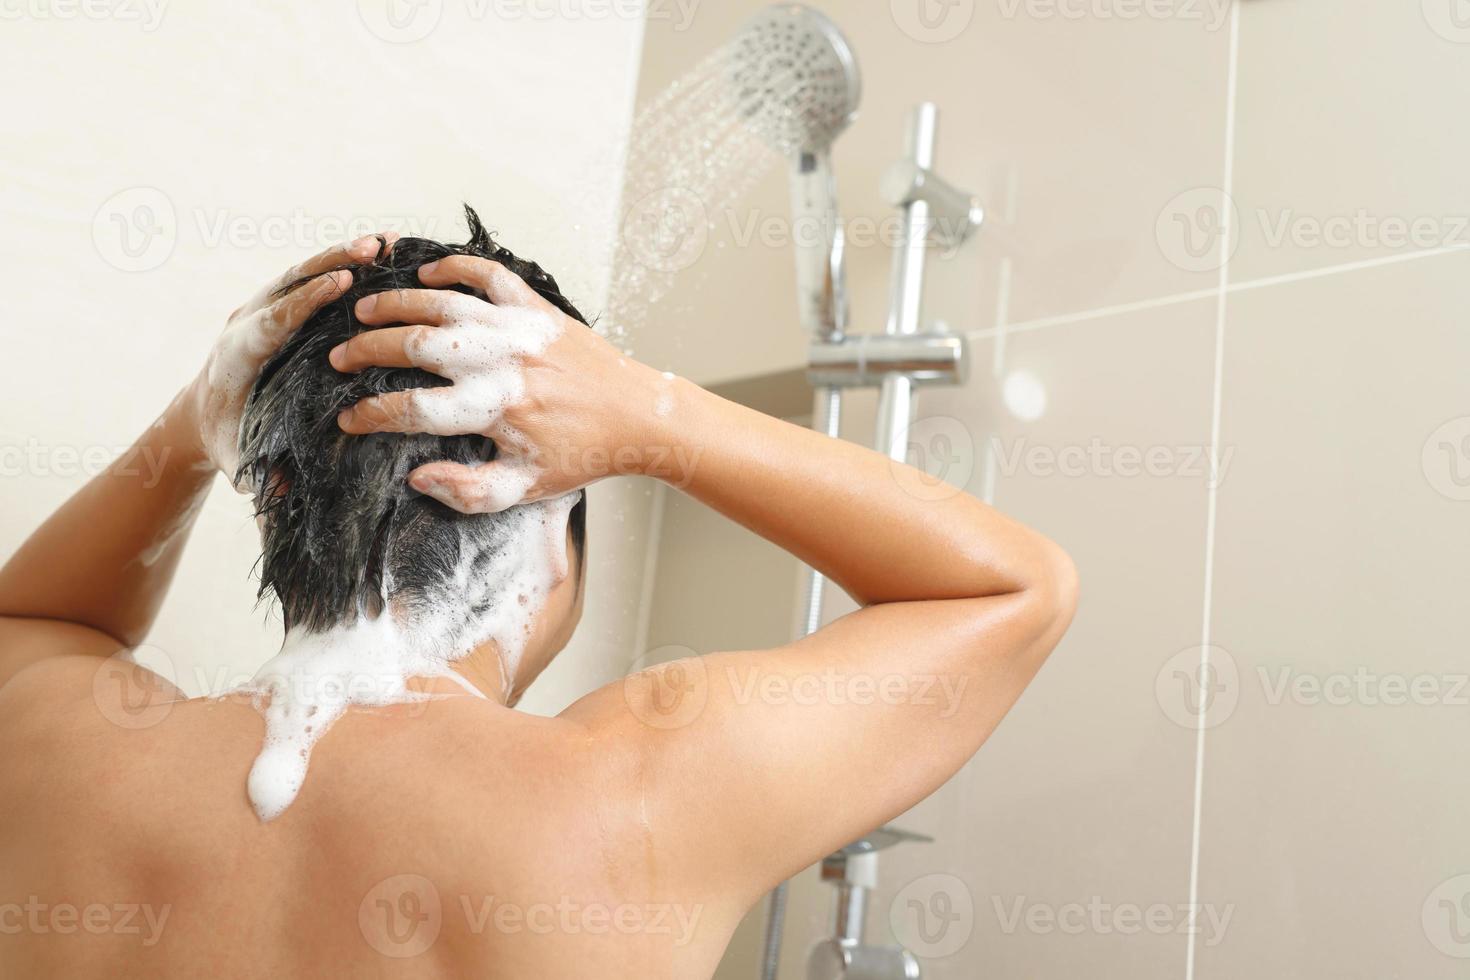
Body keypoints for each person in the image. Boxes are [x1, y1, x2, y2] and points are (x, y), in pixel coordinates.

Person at [0, 210, 1077, 979]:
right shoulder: (632, 800)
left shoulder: (69, 760)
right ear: (548, 555)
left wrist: (195, 426)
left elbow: (32, 620)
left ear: (271, 497)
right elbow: (1012, 588)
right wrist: (653, 415)